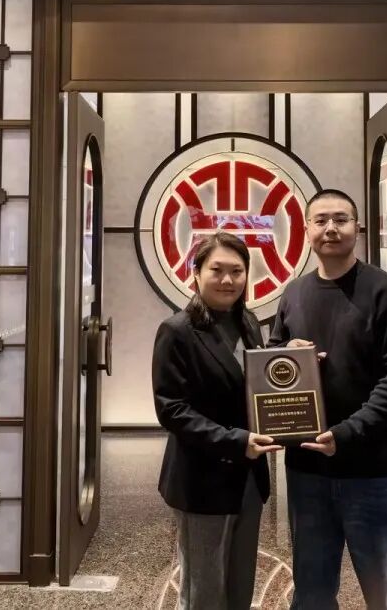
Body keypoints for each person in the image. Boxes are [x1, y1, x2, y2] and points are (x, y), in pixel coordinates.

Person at [269, 189, 387, 610]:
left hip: (374, 472)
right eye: (320, 221)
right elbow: (272, 362)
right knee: (312, 593)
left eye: (341, 219)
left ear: (358, 228)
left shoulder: (385, 291)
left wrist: (347, 433)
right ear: (306, 230)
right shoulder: (294, 293)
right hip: (308, 471)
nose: (330, 228)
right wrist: (286, 354)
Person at [152, 231, 281, 610]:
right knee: (204, 591)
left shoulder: (249, 323)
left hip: (249, 478)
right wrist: (236, 441)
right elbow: (171, 409)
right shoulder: (177, 331)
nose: (228, 280)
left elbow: (253, 384)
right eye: (217, 270)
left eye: (237, 271)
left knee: (240, 585)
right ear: (196, 273)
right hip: (202, 479)